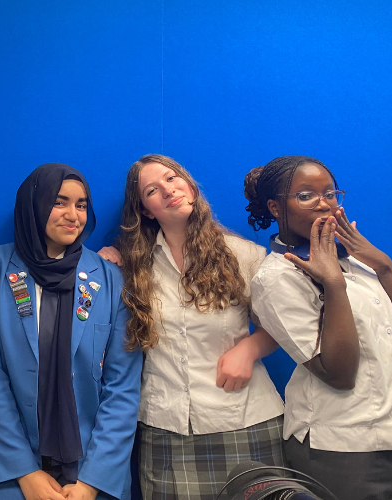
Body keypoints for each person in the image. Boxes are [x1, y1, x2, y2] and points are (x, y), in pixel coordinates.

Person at [99, 154, 285, 500]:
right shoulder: (132, 266)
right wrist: (106, 263)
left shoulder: (244, 255)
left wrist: (251, 348)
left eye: (172, 179)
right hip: (166, 429)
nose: (168, 191)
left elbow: (287, 325)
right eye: (153, 190)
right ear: (144, 210)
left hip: (244, 418)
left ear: (190, 185)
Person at [0, 163, 141, 500]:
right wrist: (25, 472)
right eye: (59, 202)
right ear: (34, 204)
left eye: (81, 205)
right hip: (12, 475)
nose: (72, 215)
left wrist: (93, 481)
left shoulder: (109, 278)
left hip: (91, 474)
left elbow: (123, 387)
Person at [245, 155, 392, 500]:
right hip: (343, 448)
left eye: (330, 193)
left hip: (390, 434)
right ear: (274, 207)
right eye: (306, 195)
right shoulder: (276, 278)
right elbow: (339, 374)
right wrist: (333, 285)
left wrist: (384, 266)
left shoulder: (355, 259)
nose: (323, 203)